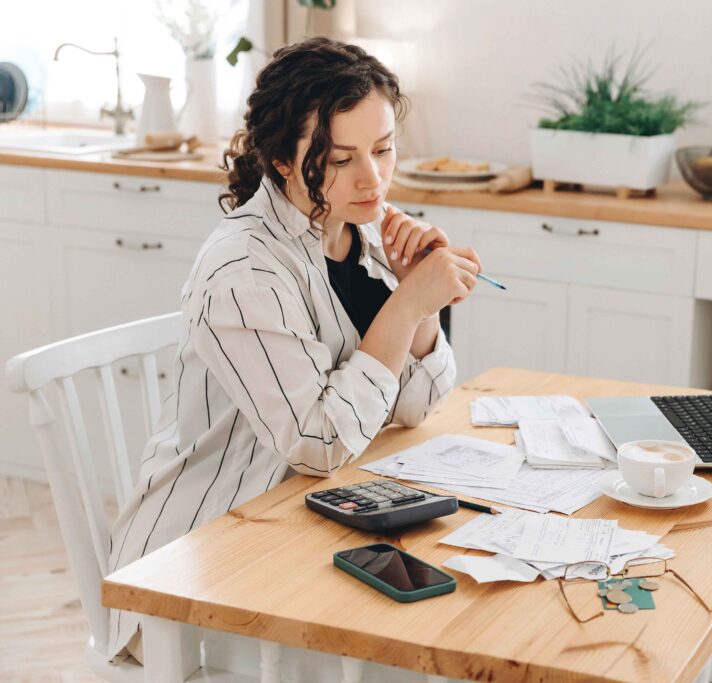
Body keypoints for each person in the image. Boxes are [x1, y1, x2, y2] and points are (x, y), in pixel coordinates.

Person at [105, 36, 482, 663]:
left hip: (301, 525)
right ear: (282, 158)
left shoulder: (357, 232)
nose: (372, 178)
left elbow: (416, 405)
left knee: (450, 616)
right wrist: (410, 302)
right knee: (406, 656)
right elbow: (323, 441)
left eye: (384, 150)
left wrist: (413, 298)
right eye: (340, 158)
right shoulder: (243, 271)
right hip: (188, 569)